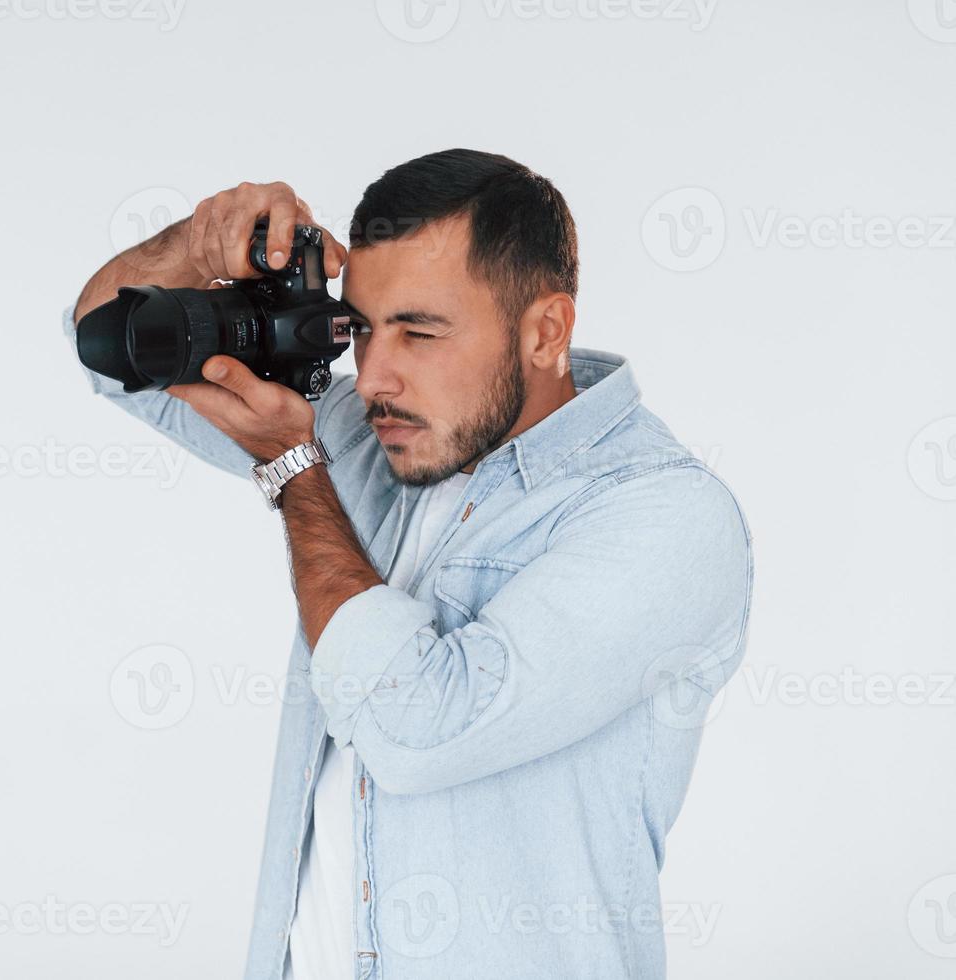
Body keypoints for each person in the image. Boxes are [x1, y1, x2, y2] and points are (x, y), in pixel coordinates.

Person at [63, 149, 753, 980]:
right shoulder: (373, 430)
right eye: (360, 329)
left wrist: (294, 471)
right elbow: (110, 351)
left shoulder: (664, 516)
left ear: (546, 331)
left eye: (419, 332)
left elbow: (418, 730)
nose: (374, 376)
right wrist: (192, 252)